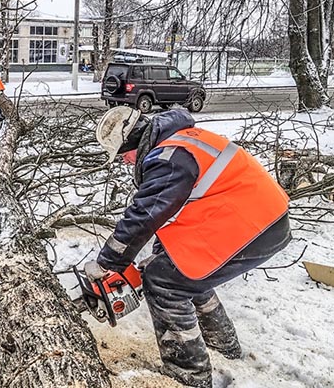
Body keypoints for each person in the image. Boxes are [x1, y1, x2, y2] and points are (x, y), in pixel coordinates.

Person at [85, 108, 291, 388]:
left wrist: (108, 262)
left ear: (132, 142)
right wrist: (161, 255)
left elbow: (146, 215)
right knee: (182, 270)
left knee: (163, 282)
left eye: (123, 154)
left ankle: (189, 375)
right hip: (259, 217)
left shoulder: (169, 158)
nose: (125, 161)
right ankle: (223, 346)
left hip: (251, 224)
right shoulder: (182, 141)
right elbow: (175, 212)